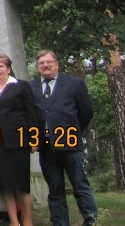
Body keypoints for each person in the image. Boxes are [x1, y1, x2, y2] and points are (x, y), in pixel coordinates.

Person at [30, 50, 97, 226]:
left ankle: (91, 220)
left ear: (56, 64)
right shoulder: (32, 86)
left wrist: (72, 130)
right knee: (55, 188)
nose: (45, 65)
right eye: (41, 63)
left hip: (70, 143)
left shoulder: (74, 83)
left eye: (48, 62)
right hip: (46, 146)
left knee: (80, 185)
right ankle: (60, 222)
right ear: (38, 67)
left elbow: (86, 112)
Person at [0, 53, 39, 226]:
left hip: (17, 141)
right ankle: (14, 221)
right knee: (5, 184)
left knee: (20, 184)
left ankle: (27, 221)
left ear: (8, 68)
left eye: (1, 66)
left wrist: (34, 138)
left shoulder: (21, 86)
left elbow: (31, 114)